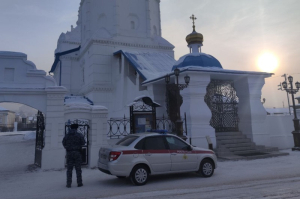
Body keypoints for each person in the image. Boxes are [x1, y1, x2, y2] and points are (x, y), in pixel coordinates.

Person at [62, 123, 86, 188]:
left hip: (69, 153)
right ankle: (79, 183)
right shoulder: (79, 135)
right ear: (76, 128)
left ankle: (68, 184)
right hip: (77, 153)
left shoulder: (67, 135)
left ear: (71, 128)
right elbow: (83, 142)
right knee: (78, 169)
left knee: (69, 169)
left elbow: (63, 143)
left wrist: (68, 147)